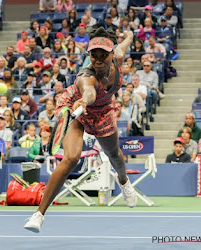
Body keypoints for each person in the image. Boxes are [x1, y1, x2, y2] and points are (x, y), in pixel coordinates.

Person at [24, 28, 137, 232]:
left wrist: (129, 35)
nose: (99, 58)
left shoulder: (118, 57)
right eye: (94, 54)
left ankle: (124, 181)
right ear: (89, 55)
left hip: (102, 112)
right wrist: (84, 101)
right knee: (72, 158)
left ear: (112, 54)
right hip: (75, 106)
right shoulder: (86, 77)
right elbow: (89, 92)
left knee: (115, 155)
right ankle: (38, 215)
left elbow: (125, 43)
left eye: (104, 54)